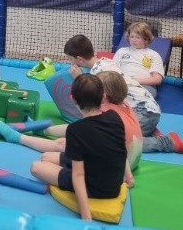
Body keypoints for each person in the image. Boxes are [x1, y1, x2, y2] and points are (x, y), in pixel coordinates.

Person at [0, 70, 139, 189]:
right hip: (126, 160)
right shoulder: (123, 105)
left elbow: (78, 131)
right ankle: (41, 132)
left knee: (63, 143)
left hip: (113, 167)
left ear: (103, 96)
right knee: (66, 141)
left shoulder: (106, 111)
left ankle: (20, 137)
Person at [66, 34, 183, 156]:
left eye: (70, 59)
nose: (70, 63)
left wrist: (79, 78)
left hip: (144, 112)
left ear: (79, 59)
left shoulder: (98, 73)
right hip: (146, 109)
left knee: (111, 140)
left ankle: (168, 142)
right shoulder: (105, 61)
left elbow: (92, 100)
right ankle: (150, 131)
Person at [30, 74, 126, 221]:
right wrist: (128, 178)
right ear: (103, 97)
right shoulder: (114, 116)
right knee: (46, 156)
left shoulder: (75, 130)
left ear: (72, 99)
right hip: (113, 183)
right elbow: (122, 151)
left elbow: (78, 175)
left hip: (97, 188)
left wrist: (86, 214)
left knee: (36, 167)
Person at [112, 21, 165, 98]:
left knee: (142, 94)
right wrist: (123, 80)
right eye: (132, 37)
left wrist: (136, 81)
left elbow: (157, 79)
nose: (134, 40)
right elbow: (113, 69)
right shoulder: (122, 51)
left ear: (146, 39)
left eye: (137, 37)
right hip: (123, 82)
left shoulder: (154, 55)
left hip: (143, 85)